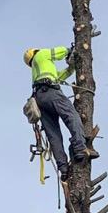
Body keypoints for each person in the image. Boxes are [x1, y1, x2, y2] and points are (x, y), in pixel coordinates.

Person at [24, 47, 98, 179]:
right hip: (51, 92)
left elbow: (60, 76)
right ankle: (80, 148)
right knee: (72, 116)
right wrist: (71, 50)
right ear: (35, 52)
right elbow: (59, 51)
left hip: (40, 98)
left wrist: (72, 67)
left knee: (54, 135)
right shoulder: (41, 54)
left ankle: (63, 169)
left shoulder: (40, 70)